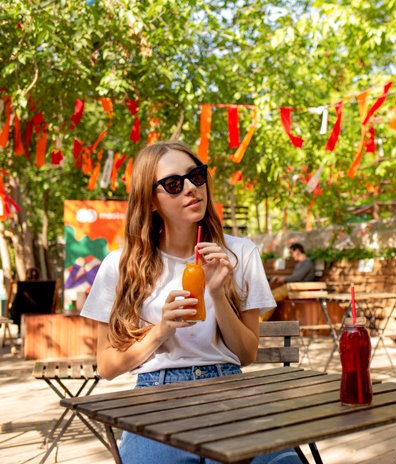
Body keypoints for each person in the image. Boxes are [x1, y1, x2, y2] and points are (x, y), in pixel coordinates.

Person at [81, 141, 301, 464]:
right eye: (173, 184)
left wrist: (217, 293)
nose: (191, 188)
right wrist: (161, 330)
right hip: (156, 398)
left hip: (229, 390)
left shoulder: (239, 254)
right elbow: (107, 366)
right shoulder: (120, 265)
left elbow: (247, 354)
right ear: (151, 201)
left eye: (196, 176)